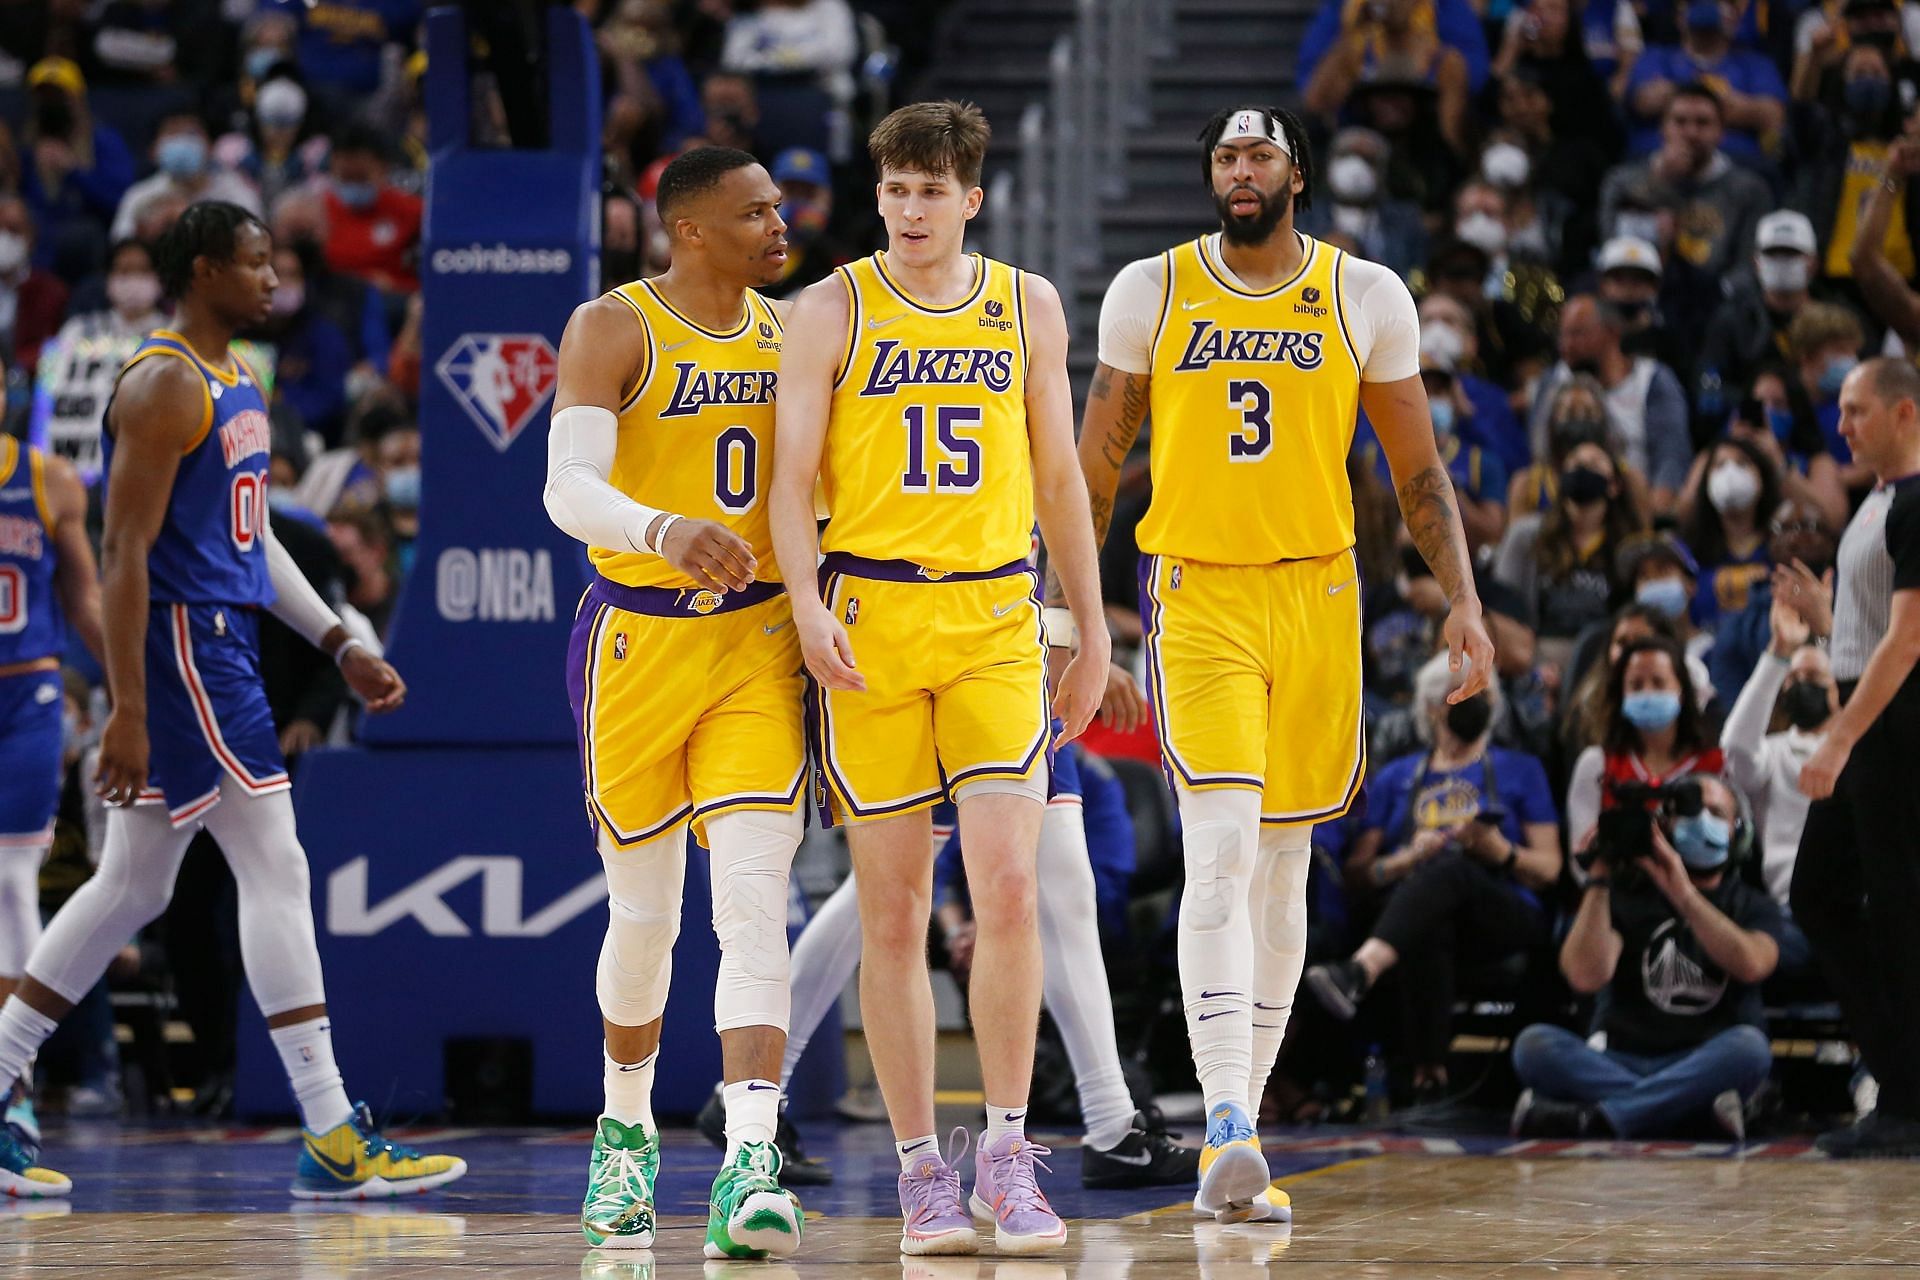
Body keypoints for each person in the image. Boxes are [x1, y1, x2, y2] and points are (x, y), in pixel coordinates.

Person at [1073, 104, 1494, 1222]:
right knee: (1215, 847)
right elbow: (1096, 463)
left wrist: (1464, 601)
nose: (1240, 169)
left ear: (1297, 173)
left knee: (1284, 864)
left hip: (1318, 591)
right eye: (1224, 155)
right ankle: (1225, 1121)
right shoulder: (1150, 290)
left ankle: (1239, 1125)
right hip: (1198, 590)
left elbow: (1418, 471)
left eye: (1258, 153)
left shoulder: (1367, 294)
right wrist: (1072, 608)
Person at [0, 201, 463, 1200]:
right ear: (205, 270)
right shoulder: (166, 383)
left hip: (218, 636)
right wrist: (125, 704)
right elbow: (124, 555)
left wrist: (336, 637)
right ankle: (333, 1127)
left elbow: (251, 548)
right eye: (256, 262)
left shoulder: (236, 374)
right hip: (186, 647)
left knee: (133, 886)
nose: (275, 275)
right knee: (275, 864)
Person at [770, 102, 1107, 1256]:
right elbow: (789, 479)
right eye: (896, 189)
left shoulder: (1028, 304)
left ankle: (1006, 1152)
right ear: (880, 197)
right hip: (872, 613)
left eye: (932, 191)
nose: (911, 210)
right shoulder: (829, 308)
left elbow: (1061, 474)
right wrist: (808, 601)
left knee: (1011, 889)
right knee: (896, 907)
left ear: (973, 198)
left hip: (992, 614)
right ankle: (921, 1169)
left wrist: (1093, 626)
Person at [542, 146, 808, 1257]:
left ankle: (753, 1155)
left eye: (778, 206)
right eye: (755, 211)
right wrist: (661, 527)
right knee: (644, 916)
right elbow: (567, 489)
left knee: (750, 899)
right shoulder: (614, 326)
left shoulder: (799, 329)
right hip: (638, 640)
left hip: (758, 640)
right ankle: (625, 1129)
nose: (779, 223)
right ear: (690, 229)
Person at [697, 739, 1198, 1192]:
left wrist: (1084, 638)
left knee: (1056, 878)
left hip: (1006, 657)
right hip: (941, 659)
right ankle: (758, 1093)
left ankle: (1109, 1123)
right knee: (892, 892)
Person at [1304, 653, 1562, 1098]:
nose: (1468, 700)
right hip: (1418, 913)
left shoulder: (1521, 768)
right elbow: (1359, 876)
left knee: (1452, 871)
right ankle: (1430, 1078)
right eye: (1456, 691)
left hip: (1503, 909)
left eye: (1478, 690)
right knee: (1430, 906)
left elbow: (1550, 868)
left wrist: (1497, 850)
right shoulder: (1396, 777)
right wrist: (1405, 859)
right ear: (1429, 707)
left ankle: (1360, 972)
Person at [1789, 356, 1920, 1157]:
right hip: (1871, 717)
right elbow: (1874, 625)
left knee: (1898, 913)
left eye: (1856, 411)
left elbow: (1907, 641)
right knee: (1820, 896)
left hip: (1895, 725)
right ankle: (1903, 1085)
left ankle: (1907, 1106)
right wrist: (1825, 613)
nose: (1841, 426)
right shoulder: (1876, 503)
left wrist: (1839, 737)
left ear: (1905, 414)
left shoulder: (1918, 501)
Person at [1511, 774, 1784, 1139]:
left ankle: (1595, 1118)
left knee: (1750, 1048)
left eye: (1716, 812)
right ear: (1664, 828)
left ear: (1740, 832)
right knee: (1534, 1045)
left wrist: (1683, 895)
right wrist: (1598, 879)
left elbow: (1752, 965)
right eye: (1689, 813)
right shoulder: (1627, 893)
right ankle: (1690, 1112)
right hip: (1623, 1057)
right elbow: (1583, 976)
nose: (1702, 821)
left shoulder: (1753, 903)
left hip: (1705, 1060)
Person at [0, 433, 103, 1148]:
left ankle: (14, 1087)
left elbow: (87, 599)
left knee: (11, 882)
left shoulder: (51, 480)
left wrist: (131, 694)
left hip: (26, 697)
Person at [1565, 633, 1724, 873]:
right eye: (1636, 685)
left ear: (1682, 691)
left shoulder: (1715, 763)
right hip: (1615, 897)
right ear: (1621, 695)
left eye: (1659, 682)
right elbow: (1580, 865)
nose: (1647, 693)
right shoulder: (1596, 764)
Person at [1721, 593, 1835, 908]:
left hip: (1865, 902)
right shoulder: (1773, 752)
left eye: (1813, 677)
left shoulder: (1861, 746)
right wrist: (1778, 653)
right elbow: (1735, 749)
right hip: (1791, 903)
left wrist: (1830, 629)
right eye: (1792, 679)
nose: (1801, 685)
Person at [1529, 294, 1690, 516]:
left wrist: (1651, 517)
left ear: (1612, 332)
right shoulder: (1554, 380)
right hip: (1562, 507)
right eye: (1562, 334)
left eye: (1577, 333)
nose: (1565, 345)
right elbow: (1540, 451)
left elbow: (1670, 458)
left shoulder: (1652, 380)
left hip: (1633, 504)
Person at [1495, 435, 1646, 671]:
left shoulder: (1628, 546)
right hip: (1537, 658)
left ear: (1614, 485)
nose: (1583, 469)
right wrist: (1534, 668)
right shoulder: (1525, 536)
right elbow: (1503, 606)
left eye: (1594, 464)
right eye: (1575, 464)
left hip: (1605, 662)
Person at [30, 238, 166, 481]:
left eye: (142, 270)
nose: (133, 280)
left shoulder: (172, 334)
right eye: (124, 271)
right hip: (81, 465)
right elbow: (53, 383)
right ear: (109, 278)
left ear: (158, 277)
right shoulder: (77, 330)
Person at [1623, 9, 1787, 165]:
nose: (1707, 8)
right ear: (1678, 17)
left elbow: (1773, 116)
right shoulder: (1656, 56)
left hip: (1738, 163)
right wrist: (1723, 100)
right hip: (1655, 158)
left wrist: (1677, 96)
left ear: (1736, 19)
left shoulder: (1755, 63)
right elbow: (1645, 101)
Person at [1675, 436, 1781, 632]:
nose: (1730, 473)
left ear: (1762, 477)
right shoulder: (1685, 551)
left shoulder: (1784, 543)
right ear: (1706, 482)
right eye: (1719, 465)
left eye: (1742, 463)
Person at [111, 111, 263, 243]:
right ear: (153, 149)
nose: (182, 141)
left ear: (210, 146)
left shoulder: (236, 194)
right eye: (172, 133)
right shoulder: (138, 196)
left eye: (191, 133)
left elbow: (256, 242)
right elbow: (123, 248)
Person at [322, 125, 424, 295]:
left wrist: (396, 286)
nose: (353, 185)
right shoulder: (315, 214)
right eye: (346, 178)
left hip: (394, 304)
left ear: (383, 169)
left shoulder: (413, 211)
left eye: (361, 177)